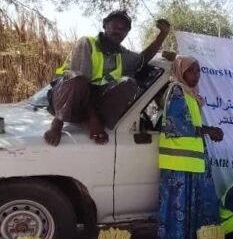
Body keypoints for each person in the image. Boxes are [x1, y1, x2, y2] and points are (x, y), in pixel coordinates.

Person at [45, 10, 171, 146]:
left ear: (127, 33)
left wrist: (162, 36)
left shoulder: (122, 54)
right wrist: (93, 119)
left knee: (128, 83)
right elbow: (81, 83)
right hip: (64, 100)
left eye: (123, 29)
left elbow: (142, 59)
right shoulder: (87, 43)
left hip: (88, 106)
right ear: (104, 25)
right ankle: (57, 123)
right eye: (114, 26)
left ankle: (100, 122)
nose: (118, 31)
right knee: (77, 80)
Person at [154, 55, 225, 239]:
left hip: (191, 164)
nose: (196, 75)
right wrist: (208, 130)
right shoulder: (176, 91)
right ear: (180, 71)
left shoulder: (190, 94)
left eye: (198, 71)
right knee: (177, 218)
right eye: (191, 71)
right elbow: (176, 125)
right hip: (178, 167)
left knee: (191, 215)